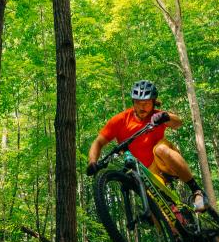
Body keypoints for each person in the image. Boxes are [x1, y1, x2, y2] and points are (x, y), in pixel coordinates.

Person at [86, 80, 209, 212]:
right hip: (148, 173)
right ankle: (177, 229)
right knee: (158, 207)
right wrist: (92, 161)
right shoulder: (120, 120)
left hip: (165, 161)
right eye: (138, 102)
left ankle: (196, 190)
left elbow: (178, 123)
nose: (142, 107)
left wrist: (165, 116)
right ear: (133, 102)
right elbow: (98, 142)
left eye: (147, 103)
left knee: (160, 149)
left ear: (153, 102)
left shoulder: (156, 116)